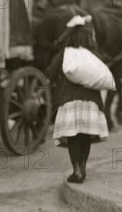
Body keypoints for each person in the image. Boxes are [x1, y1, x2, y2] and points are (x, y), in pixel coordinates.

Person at [45, 14, 110, 184]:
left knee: (73, 137)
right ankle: (83, 167)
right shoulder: (95, 54)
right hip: (91, 104)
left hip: (70, 102)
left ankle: (76, 171)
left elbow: (50, 73)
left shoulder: (64, 54)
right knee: (84, 137)